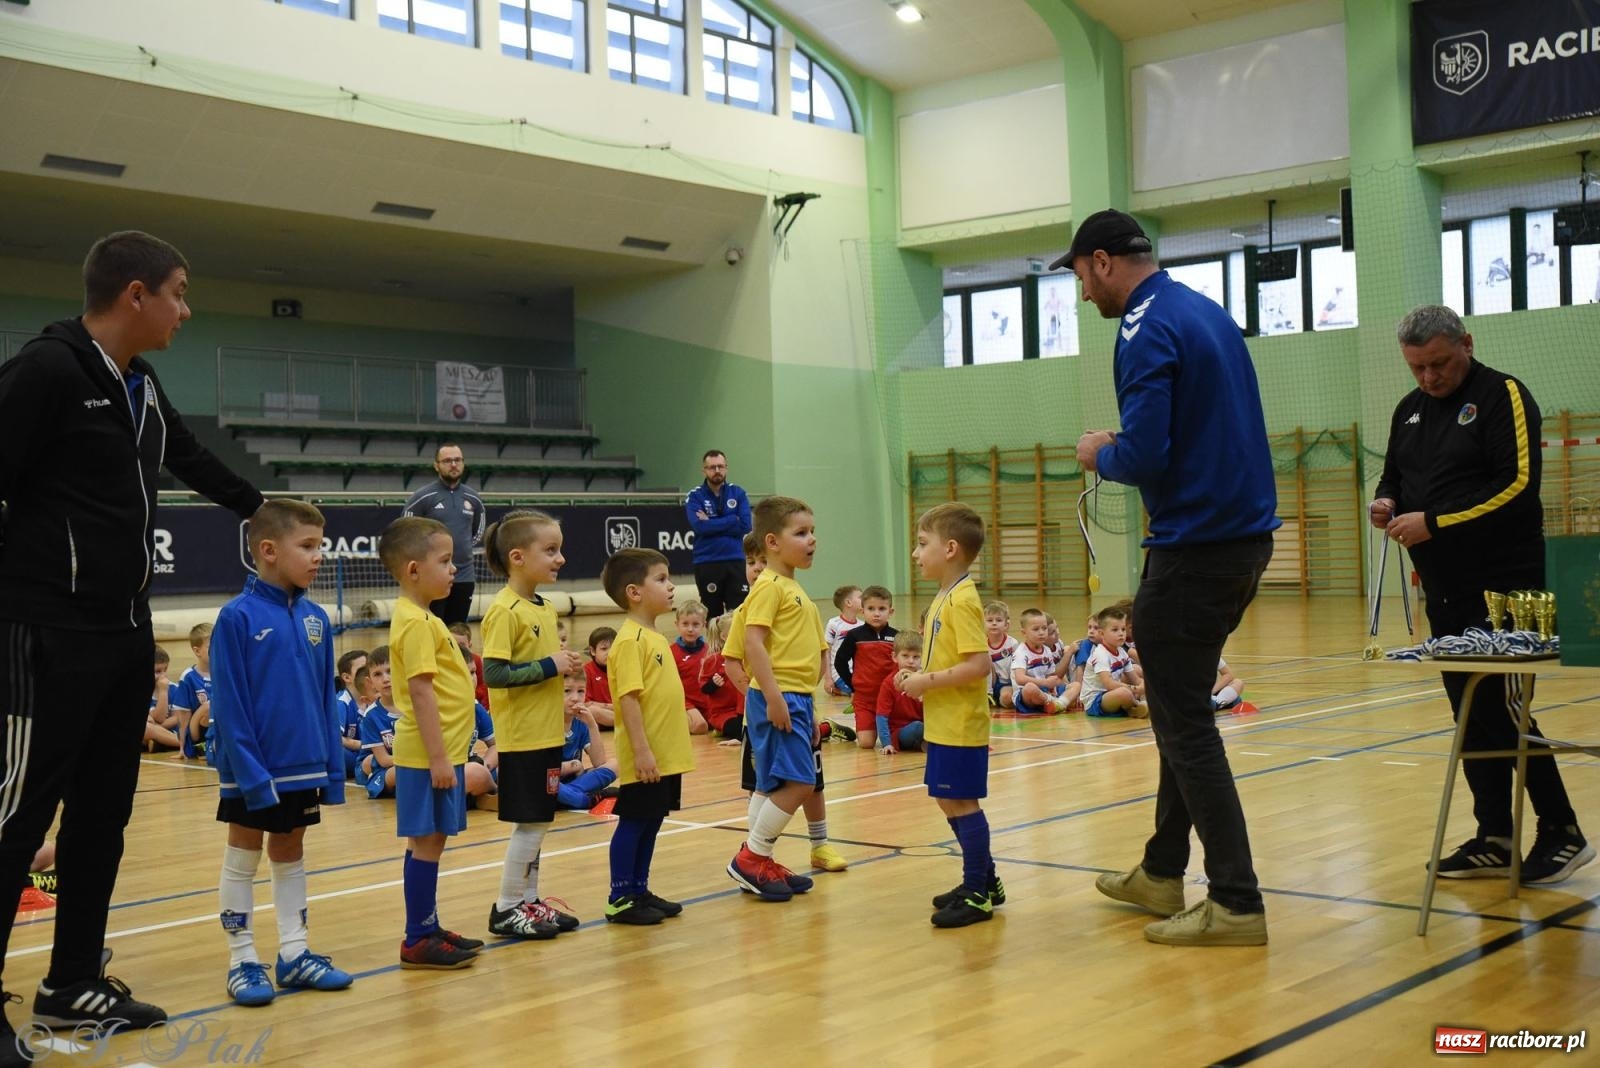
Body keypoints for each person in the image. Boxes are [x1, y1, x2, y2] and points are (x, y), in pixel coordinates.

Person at [0, 229, 266, 1045]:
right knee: (15, 822)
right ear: (135, 295)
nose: (186, 310)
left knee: (101, 817)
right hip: (45, 630)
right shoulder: (45, 371)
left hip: (122, 635)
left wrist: (264, 510)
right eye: (179, 293)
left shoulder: (139, 385)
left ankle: (72, 981)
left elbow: (189, 457)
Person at [1061, 208, 1278, 947]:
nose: (1085, 294)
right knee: (1178, 711)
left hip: (1195, 549)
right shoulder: (1200, 311)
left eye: (1082, 278)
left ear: (1101, 261)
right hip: (1242, 541)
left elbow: (1147, 455)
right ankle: (1160, 871)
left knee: (1186, 726)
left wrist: (1102, 452)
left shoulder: (1143, 327)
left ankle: (1237, 902)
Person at [1372, 304, 1592, 885]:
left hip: (1506, 587)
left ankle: (1563, 830)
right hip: (1444, 589)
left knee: (1505, 710)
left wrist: (1435, 522)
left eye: (1439, 364)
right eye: (1417, 368)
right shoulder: (1409, 410)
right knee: (1468, 712)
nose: (1429, 378)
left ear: (1466, 343)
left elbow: (1518, 486)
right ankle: (1495, 835)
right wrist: (1387, 503)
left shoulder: (1504, 395)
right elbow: (1394, 474)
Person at [211, 499, 353, 1007]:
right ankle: (242, 958)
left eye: (322, 545)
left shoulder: (317, 619)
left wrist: (334, 773)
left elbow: (323, 702)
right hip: (254, 772)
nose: (319, 556)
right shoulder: (236, 617)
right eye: (308, 546)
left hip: (306, 768)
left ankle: (294, 953)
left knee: (290, 854)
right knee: (242, 859)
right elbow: (229, 705)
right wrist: (251, 774)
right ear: (268, 550)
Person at [377, 516, 486, 969]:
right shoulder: (417, 622)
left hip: (440, 753)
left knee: (429, 841)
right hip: (428, 756)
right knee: (427, 842)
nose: (454, 570)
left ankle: (427, 924)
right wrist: (440, 757)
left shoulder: (423, 617)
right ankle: (418, 936)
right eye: (444, 561)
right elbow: (421, 692)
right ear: (412, 570)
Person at [478, 510, 585, 941]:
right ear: (518, 557)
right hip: (521, 736)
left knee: (541, 820)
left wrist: (560, 667)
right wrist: (549, 664)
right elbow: (495, 675)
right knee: (532, 823)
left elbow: (537, 668)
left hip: (544, 733)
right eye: (551, 550)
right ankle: (506, 907)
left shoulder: (541, 605)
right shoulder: (504, 610)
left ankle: (529, 900)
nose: (560, 558)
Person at [898, 503, 999, 928]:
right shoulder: (945, 595)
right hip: (943, 720)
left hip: (960, 721)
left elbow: (980, 665)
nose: (916, 554)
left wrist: (926, 681)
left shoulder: (963, 600)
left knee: (961, 800)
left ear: (951, 548)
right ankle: (985, 880)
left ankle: (978, 892)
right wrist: (921, 674)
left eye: (923, 544)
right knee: (945, 797)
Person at [725, 497, 829, 902]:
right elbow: (752, 643)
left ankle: (758, 860)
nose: (812, 540)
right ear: (771, 541)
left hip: (796, 698)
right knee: (801, 781)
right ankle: (753, 855)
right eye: (801, 533)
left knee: (771, 784)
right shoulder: (768, 586)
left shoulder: (790, 586)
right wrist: (773, 697)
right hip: (780, 696)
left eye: (812, 532)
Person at [600, 548, 695, 925]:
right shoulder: (629, 641)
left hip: (666, 753)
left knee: (653, 819)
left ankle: (639, 888)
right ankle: (620, 895)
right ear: (634, 592)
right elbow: (629, 701)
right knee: (635, 820)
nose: (670, 586)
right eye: (661, 579)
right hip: (646, 754)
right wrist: (641, 752)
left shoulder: (654, 636)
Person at [401, 443, 486, 626]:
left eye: (457, 460)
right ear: (436, 465)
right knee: (434, 628)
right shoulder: (422, 497)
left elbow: (477, 533)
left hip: (464, 577)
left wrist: (458, 550)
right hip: (432, 577)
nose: (453, 464)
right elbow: (405, 532)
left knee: (457, 631)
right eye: (447, 460)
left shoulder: (473, 498)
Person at [684, 450, 752, 617]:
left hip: (736, 559)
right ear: (704, 470)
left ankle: (737, 644)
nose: (717, 471)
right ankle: (714, 644)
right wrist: (731, 519)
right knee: (711, 613)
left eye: (720, 466)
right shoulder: (695, 496)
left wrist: (711, 522)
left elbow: (745, 525)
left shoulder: (738, 493)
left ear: (726, 468)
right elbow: (700, 527)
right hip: (707, 561)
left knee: (739, 612)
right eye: (712, 467)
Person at [832, 586, 897, 749]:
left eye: (882, 608)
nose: (876, 613)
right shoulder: (855, 636)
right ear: (862, 611)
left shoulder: (897, 636)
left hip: (890, 699)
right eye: (871, 608)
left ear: (891, 611)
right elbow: (840, 661)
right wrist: (853, 686)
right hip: (864, 699)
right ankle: (835, 727)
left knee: (895, 741)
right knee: (867, 744)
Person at [556, 673, 619, 809]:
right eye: (567, 691)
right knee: (541, 781)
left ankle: (568, 796)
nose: (575, 698)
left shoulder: (581, 723)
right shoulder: (546, 722)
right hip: (549, 780)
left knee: (615, 764)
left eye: (581, 691)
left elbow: (599, 763)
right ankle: (585, 801)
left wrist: (592, 725)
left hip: (568, 783)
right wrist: (573, 765)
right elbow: (540, 768)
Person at [1081, 606, 1147, 719]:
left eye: (1123, 629)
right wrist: (1135, 689)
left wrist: (1142, 685)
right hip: (1095, 701)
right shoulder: (1100, 654)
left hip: (1112, 693)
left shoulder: (1121, 652)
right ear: (1101, 634)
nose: (1121, 634)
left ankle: (1144, 704)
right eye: (1115, 630)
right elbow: (1109, 684)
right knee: (1124, 693)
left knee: (1145, 680)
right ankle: (1136, 707)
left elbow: (1134, 679)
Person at [1008, 609, 1073, 715]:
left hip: (1046, 690)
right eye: (1036, 629)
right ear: (1024, 632)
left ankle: (1057, 704)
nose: (1042, 632)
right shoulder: (1021, 652)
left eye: (1044, 628)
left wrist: (1056, 682)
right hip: (1025, 694)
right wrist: (1046, 683)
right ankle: (1056, 702)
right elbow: (1020, 679)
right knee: (1030, 688)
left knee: (1075, 686)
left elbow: (1051, 675)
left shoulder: (1046, 650)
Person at [358, 647, 400, 800]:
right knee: (401, 773)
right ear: (370, 682)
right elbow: (383, 760)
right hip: (386, 770)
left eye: (390, 671)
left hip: (416, 764)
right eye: (378, 674)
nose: (386, 679)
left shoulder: (415, 705)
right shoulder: (371, 716)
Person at [876, 632, 926, 755]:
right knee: (918, 727)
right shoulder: (888, 683)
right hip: (900, 733)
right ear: (894, 657)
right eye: (905, 656)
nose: (911, 661)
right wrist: (887, 743)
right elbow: (881, 716)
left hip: (924, 727)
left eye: (916, 657)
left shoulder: (925, 680)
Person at [174, 623, 215, 761]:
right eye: (211, 647)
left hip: (216, 724)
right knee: (209, 706)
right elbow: (183, 716)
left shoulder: (224, 672)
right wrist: (182, 749)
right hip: (196, 730)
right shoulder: (189, 677)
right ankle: (201, 746)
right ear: (197, 651)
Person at [670, 601, 712, 734]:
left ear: (704, 625)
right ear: (677, 625)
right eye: (685, 624)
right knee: (700, 726)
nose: (690, 629)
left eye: (695, 624)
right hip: (686, 703)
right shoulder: (670, 652)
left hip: (707, 703)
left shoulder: (710, 651)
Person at [823, 586, 863, 695]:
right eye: (861, 597)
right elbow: (826, 652)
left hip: (858, 674)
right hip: (840, 674)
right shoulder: (834, 624)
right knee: (861, 693)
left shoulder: (862, 625)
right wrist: (828, 679)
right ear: (849, 603)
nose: (865, 600)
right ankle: (839, 690)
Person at [983, 601, 1019, 708]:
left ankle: (1001, 699)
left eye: (998, 620)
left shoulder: (1013, 644)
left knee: (1006, 698)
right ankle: (988, 694)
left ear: (1006, 625)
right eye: (990, 620)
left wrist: (1016, 687)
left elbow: (1018, 668)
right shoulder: (982, 644)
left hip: (1007, 683)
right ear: (983, 624)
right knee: (984, 657)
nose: (994, 623)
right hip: (990, 683)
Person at [583, 626, 617, 729]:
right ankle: (627, 723)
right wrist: (610, 707)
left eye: (613, 648)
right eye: (604, 649)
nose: (609, 652)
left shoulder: (623, 668)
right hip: (601, 715)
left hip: (619, 711)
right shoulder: (586, 671)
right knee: (592, 711)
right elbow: (586, 704)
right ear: (592, 651)